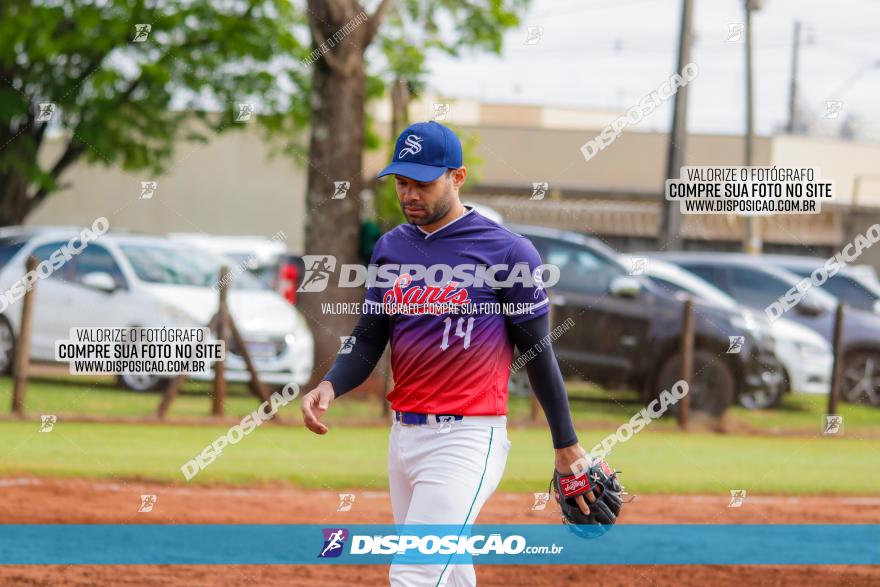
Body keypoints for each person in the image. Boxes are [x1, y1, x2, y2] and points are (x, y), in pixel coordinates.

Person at [301, 121, 594, 586]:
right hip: (403, 438)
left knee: (415, 573)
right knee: (450, 574)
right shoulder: (390, 248)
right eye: (402, 183)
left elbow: (538, 352)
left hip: (466, 439)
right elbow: (369, 336)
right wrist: (330, 383)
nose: (410, 194)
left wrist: (566, 443)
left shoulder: (507, 253)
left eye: (423, 182)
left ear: (457, 177)